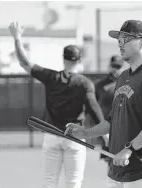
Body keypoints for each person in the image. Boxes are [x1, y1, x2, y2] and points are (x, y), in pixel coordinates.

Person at [65, 20, 142, 188]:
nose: (120, 44)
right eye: (119, 40)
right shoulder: (123, 77)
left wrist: (129, 149)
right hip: (117, 168)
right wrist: (85, 133)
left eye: (126, 39)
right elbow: (112, 120)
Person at [8, 22, 104, 188]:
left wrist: (17, 37)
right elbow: (94, 110)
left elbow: (25, 63)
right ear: (80, 59)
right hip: (75, 137)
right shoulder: (85, 83)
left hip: (52, 135)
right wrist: (105, 134)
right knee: (74, 184)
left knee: (49, 183)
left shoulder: (51, 77)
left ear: (63, 59)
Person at [95, 55, 125, 162]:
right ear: (110, 66)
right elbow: (94, 107)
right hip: (108, 127)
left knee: (125, 161)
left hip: (125, 127)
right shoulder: (100, 84)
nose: (116, 69)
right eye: (114, 66)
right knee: (110, 162)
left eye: (118, 67)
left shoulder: (129, 82)